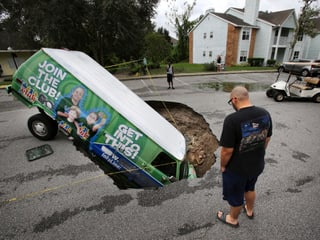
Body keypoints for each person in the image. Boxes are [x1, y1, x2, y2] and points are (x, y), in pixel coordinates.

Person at [216, 86, 272, 228]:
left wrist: (223, 166)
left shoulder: (232, 120)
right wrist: (259, 152)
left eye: (231, 102)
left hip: (237, 169)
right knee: (250, 188)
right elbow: (267, 138)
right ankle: (250, 210)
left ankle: (232, 219)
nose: (232, 105)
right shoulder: (265, 113)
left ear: (234, 99)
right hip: (257, 164)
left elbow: (226, 151)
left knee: (236, 195)